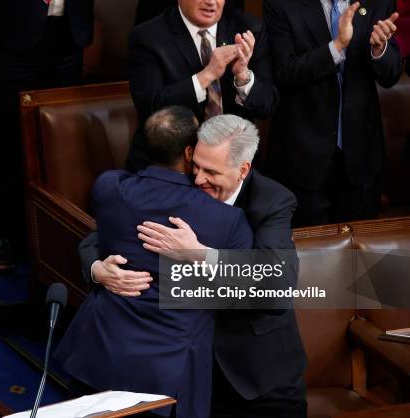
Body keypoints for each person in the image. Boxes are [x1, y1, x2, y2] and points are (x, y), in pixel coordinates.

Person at [81, 115, 307, 417]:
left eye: (211, 171)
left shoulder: (272, 201)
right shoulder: (186, 182)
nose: (198, 179)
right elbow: (104, 234)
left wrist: (199, 253)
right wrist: (97, 268)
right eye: (196, 166)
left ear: (242, 170)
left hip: (258, 376)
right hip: (192, 369)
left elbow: (278, 288)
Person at [55, 107, 253, 418]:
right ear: (190, 153)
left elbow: (101, 233)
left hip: (100, 353)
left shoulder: (110, 188)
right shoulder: (227, 220)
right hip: (168, 370)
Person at [0, 0, 93, 271]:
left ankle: (52, 234)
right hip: (10, 33)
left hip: (68, 32)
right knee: (5, 135)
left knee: (60, 140)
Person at [263, 0, 403, 227]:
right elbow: (283, 73)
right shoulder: (281, 4)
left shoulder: (378, 2)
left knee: (360, 258)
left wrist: (380, 50)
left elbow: (391, 74)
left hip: (361, 158)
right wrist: (336, 47)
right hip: (302, 160)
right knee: (310, 257)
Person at [125, 0, 278, 172]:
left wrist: (242, 75)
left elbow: (267, 106)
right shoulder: (148, 37)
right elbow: (151, 109)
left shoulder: (248, 29)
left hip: (232, 168)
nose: (211, 2)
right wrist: (207, 75)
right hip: (170, 164)